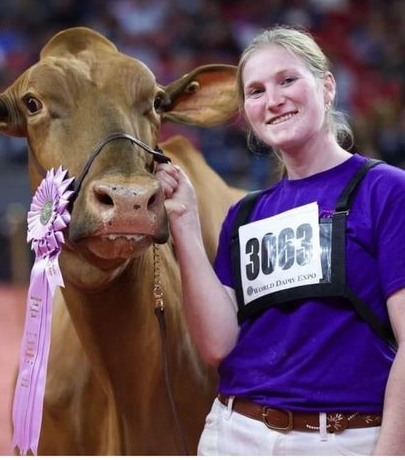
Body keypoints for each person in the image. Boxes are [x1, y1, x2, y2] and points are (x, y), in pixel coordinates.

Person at [156, 26, 405, 455]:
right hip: (233, 432)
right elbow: (217, 345)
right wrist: (185, 222)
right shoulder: (245, 214)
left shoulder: (386, 190)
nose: (273, 100)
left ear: (327, 87)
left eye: (287, 80)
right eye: (256, 91)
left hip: (343, 440)